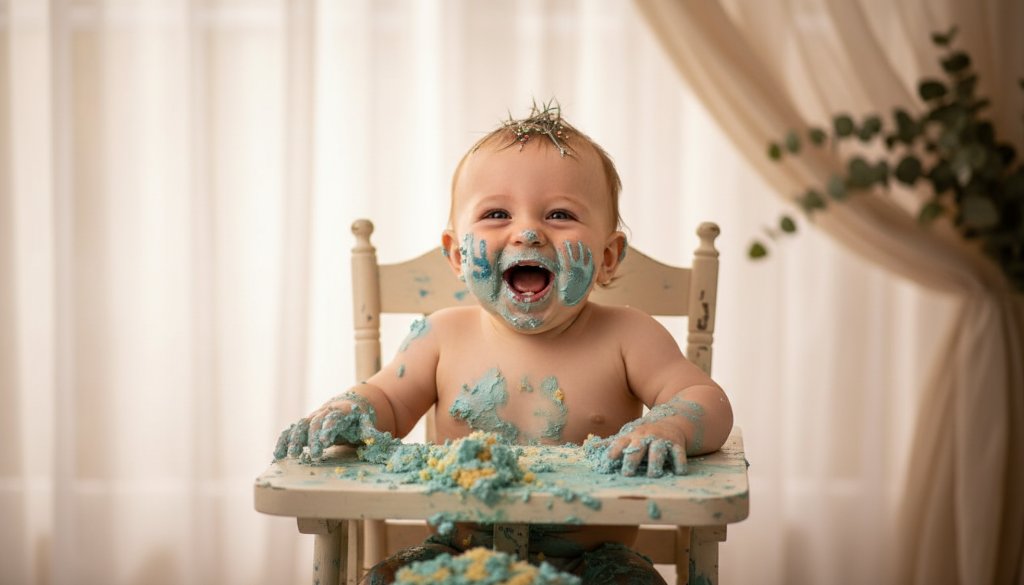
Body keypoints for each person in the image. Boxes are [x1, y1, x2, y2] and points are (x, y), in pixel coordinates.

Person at [275, 103, 734, 584]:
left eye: (560, 214)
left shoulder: (630, 337)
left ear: (607, 257)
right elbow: (387, 398)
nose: (529, 231)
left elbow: (708, 401)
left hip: (593, 565)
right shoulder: (440, 336)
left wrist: (672, 428)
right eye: (497, 213)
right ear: (455, 254)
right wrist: (352, 408)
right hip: (453, 556)